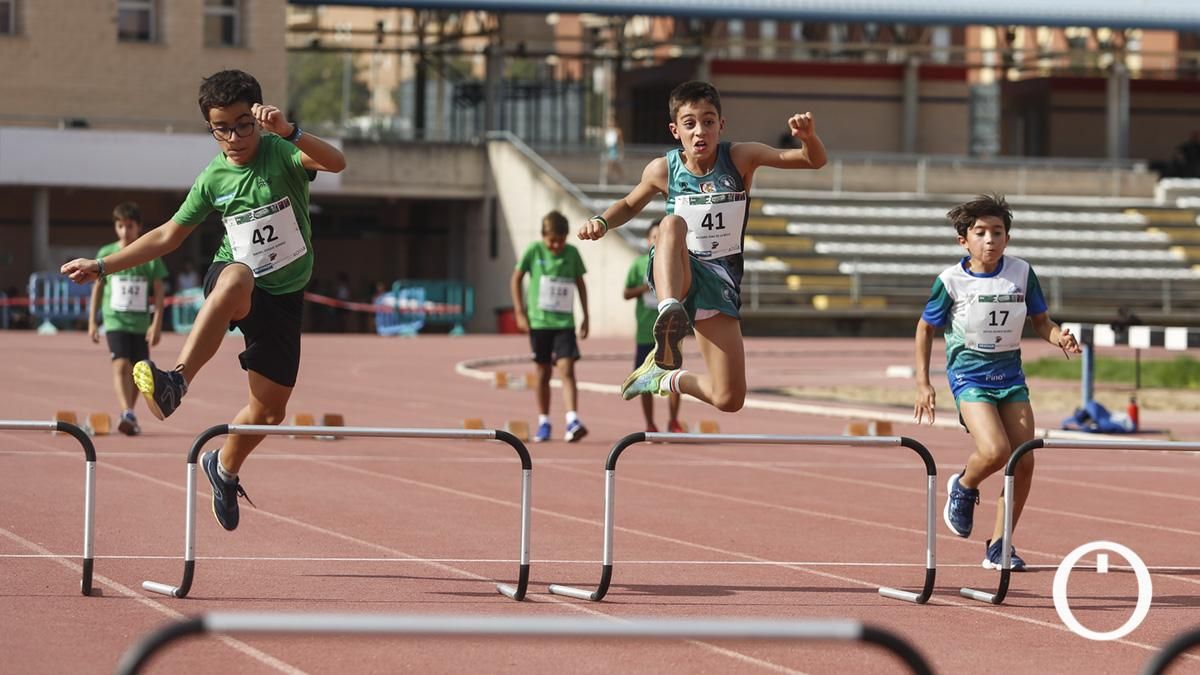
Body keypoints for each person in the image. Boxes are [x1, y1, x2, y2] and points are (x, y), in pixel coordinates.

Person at [62, 69, 346, 531]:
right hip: (235, 277)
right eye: (221, 129)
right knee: (237, 277)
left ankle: (224, 467)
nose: (233, 138)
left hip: (284, 295)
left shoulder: (282, 151)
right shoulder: (214, 177)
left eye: (243, 125)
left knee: (269, 412)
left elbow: (337, 163)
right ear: (210, 128)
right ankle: (176, 381)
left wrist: (290, 131)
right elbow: (168, 235)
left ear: (258, 116)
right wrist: (102, 265)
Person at [578, 80, 826, 413]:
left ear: (721, 125)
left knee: (729, 398)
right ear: (675, 130)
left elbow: (813, 161)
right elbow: (628, 204)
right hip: (680, 269)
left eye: (708, 122)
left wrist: (808, 138)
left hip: (719, 281)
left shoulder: (740, 157)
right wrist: (602, 221)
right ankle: (669, 313)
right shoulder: (663, 169)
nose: (700, 132)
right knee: (671, 223)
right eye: (690, 123)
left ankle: (664, 378)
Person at [913, 194, 1080, 571]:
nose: (990, 239)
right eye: (981, 232)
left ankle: (1000, 545)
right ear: (963, 240)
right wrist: (924, 383)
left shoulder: (1022, 272)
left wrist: (1060, 337)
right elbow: (925, 328)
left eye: (998, 231)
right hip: (969, 376)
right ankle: (964, 486)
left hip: (1010, 377)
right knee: (995, 451)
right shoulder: (950, 281)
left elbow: (1042, 322)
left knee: (1024, 460)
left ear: (1008, 237)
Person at [86, 202, 168, 436]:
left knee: (139, 372)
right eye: (120, 226)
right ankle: (126, 411)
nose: (125, 231)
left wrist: (157, 323)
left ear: (139, 227)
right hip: (115, 320)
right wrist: (92, 320)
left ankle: (129, 414)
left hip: (140, 323)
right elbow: (98, 288)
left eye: (129, 226)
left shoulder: (149, 255)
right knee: (121, 364)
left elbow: (159, 292)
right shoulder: (106, 253)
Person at [510, 210, 590, 443]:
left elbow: (580, 283)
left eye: (561, 240)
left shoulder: (572, 253)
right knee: (543, 372)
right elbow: (515, 278)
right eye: (552, 241)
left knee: (567, 369)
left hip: (564, 323)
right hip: (540, 322)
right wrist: (519, 312)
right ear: (543, 236)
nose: (556, 246)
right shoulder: (534, 251)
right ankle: (544, 421)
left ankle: (572, 419)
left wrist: (586, 316)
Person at [624, 219, 683, 432]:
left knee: (673, 377)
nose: (658, 242)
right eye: (654, 238)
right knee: (645, 380)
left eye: (662, 237)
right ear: (647, 240)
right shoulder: (639, 264)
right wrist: (646, 286)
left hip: (670, 331)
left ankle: (673, 421)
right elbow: (626, 293)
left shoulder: (676, 262)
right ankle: (650, 423)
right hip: (645, 332)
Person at [602, 112, 625, 186]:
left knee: (611, 164)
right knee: (615, 166)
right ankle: (621, 179)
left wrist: (621, 152)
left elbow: (621, 142)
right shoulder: (606, 131)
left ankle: (606, 179)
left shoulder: (617, 131)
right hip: (608, 150)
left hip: (614, 150)